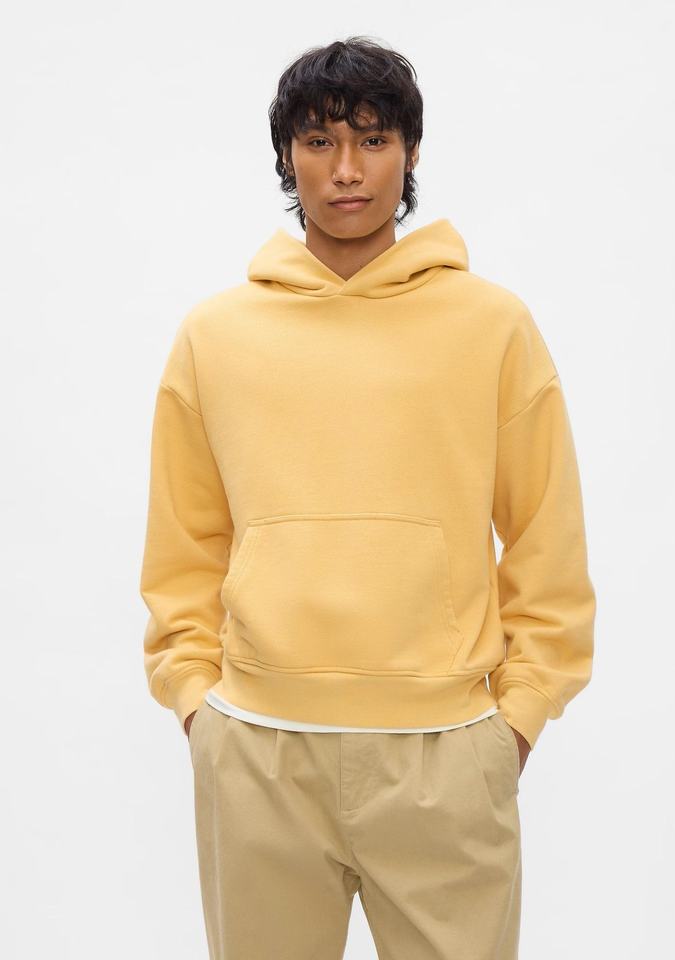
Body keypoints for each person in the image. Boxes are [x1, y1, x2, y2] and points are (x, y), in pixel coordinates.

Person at [139, 35, 596, 960]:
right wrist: (197, 703)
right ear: (287, 157)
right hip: (259, 753)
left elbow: (547, 537)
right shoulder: (215, 336)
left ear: (410, 152)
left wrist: (516, 722)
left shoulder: (492, 326)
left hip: (445, 753)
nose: (346, 170)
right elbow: (185, 545)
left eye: (373, 140)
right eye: (319, 142)